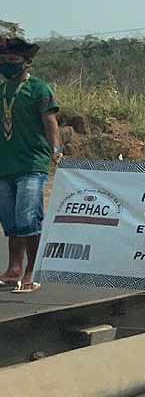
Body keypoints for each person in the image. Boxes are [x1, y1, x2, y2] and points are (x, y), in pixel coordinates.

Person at [0, 34, 61, 294]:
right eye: (3, 59)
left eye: (13, 59)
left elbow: (50, 122)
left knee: (28, 216)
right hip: (5, 164)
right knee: (10, 218)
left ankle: (31, 270)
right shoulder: (2, 90)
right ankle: (13, 269)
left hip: (32, 162)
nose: (7, 63)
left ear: (26, 62)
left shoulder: (39, 89)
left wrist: (55, 149)